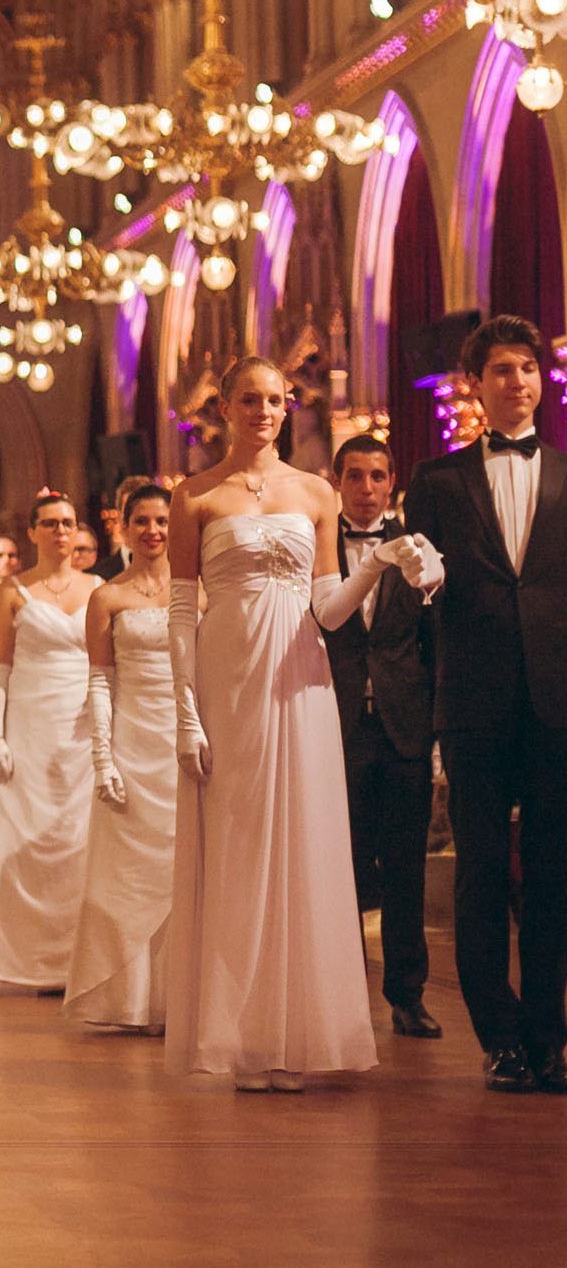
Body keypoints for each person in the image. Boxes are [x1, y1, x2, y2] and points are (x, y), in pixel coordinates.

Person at [163, 355, 408, 1090]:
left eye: (274, 399)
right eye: (248, 399)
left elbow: (327, 606)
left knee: (300, 842)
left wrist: (377, 566)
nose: (262, 411)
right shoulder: (195, 494)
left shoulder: (315, 491)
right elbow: (180, 611)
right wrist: (185, 713)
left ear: (288, 405)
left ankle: (291, 1032)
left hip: (300, 677)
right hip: (227, 678)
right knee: (237, 846)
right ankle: (240, 1033)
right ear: (224, 407)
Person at [401, 315, 567, 1093]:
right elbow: (420, 602)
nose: (517, 381)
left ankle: (547, 1035)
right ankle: (497, 1035)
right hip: (471, 701)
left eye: (527, 368)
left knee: (551, 871)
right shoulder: (434, 482)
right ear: (476, 383)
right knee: (476, 875)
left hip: (556, 701)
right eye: (501, 369)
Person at [0, 492, 98, 990]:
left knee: (79, 836)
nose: (60, 532)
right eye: (50, 523)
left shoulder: (98, 588)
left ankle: (78, 957)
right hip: (30, 722)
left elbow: (104, 667)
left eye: (68, 524)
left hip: (80, 728)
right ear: (32, 532)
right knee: (25, 832)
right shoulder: (12, 591)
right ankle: (26, 956)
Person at [321, 433, 443, 1042]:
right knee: (337, 866)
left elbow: (434, 644)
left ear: (390, 482)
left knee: (404, 870)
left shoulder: (420, 549)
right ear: (336, 481)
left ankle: (407, 996)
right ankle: (340, 997)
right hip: (335, 727)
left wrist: (436, 730)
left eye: (376, 476)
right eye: (354, 477)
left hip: (403, 728)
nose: (366, 489)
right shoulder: (318, 545)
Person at [64, 481, 175, 1031]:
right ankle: (131, 998)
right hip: (133, 739)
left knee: (183, 870)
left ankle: (181, 997)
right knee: (129, 872)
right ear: (124, 528)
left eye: (163, 521)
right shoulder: (107, 596)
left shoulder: (197, 592)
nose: (154, 531)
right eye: (143, 522)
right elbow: (101, 680)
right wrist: (104, 756)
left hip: (185, 739)